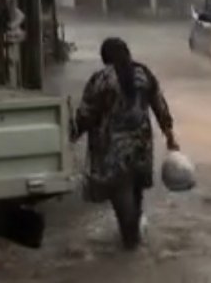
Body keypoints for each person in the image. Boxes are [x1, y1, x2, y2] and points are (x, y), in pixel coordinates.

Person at [71, 37, 179, 250]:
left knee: (121, 195)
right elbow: (160, 107)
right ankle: (134, 239)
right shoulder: (144, 74)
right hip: (142, 147)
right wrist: (170, 137)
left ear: (105, 57)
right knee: (136, 193)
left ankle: (130, 243)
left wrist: (71, 135)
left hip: (112, 150)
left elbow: (85, 115)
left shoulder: (101, 80)